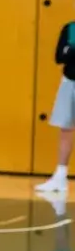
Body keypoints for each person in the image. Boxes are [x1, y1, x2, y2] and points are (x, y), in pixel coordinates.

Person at [36, 11, 75, 193]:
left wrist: (71, 51)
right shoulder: (70, 28)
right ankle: (60, 177)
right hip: (70, 81)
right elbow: (60, 57)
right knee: (66, 128)